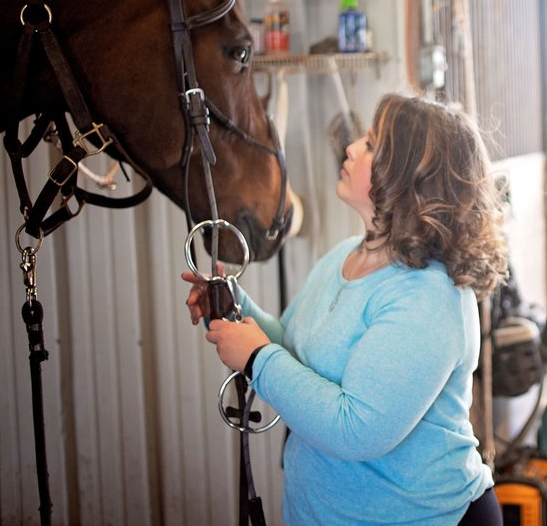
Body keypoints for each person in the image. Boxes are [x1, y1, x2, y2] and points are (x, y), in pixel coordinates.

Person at [183, 93, 509, 525]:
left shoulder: (430, 297)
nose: (352, 147)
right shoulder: (345, 256)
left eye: (371, 144)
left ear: (407, 175)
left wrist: (257, 357)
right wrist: (233, 305)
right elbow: (296, 352)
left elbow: (355, 429)